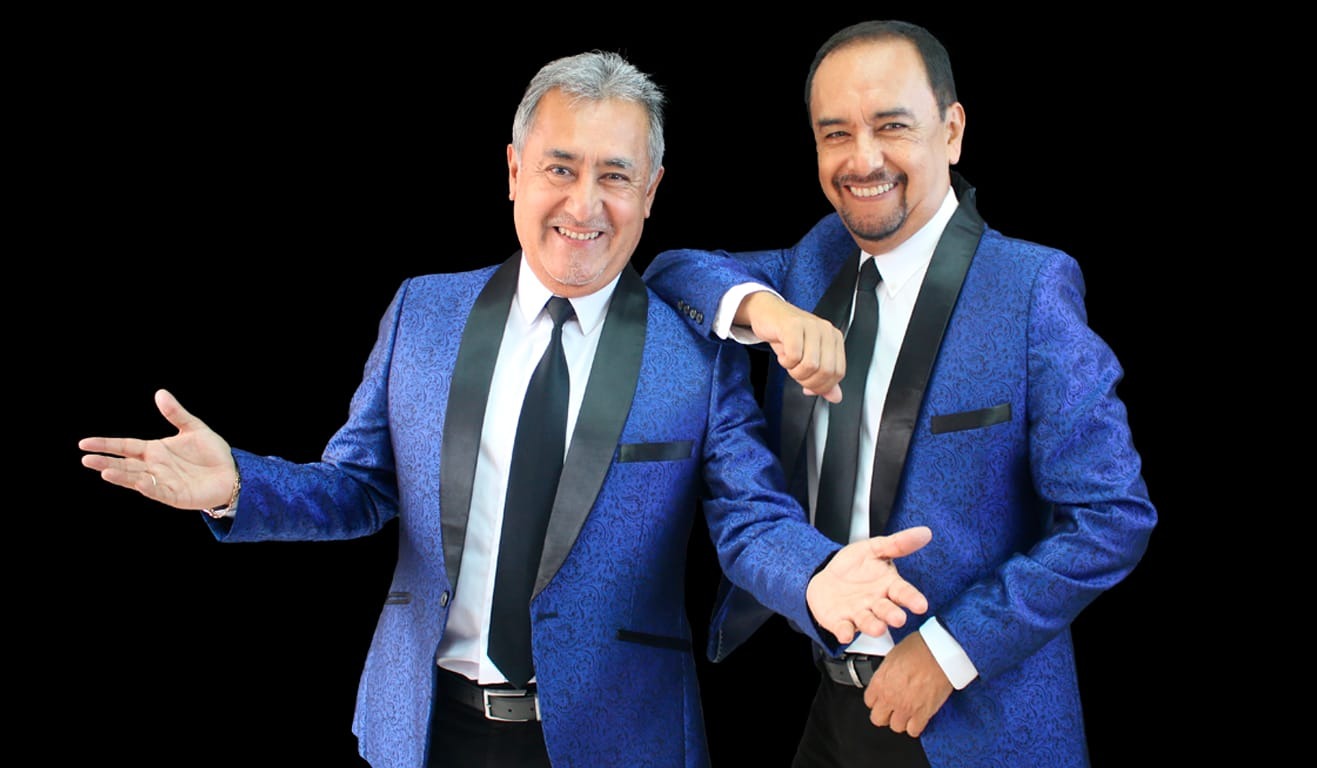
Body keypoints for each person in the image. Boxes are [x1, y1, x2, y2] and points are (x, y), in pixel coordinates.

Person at [77, 50, 936, 768]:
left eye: (615, 176)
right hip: (423, 727)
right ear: (516, 171)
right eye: (561, 168)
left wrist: (817, 575)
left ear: (651, 191)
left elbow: (750, 520)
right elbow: (359, 489)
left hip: (616, 736)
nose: (585, 205)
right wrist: (239, 486)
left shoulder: (697, 352)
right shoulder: (423, 312)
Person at [641, 20, 1158, 768]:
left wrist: (950, 651)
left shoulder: (1030, 288)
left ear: (952, 131)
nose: (863, 159)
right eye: (835, 134)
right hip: (832, 704)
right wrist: (767, 311)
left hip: (979, 726)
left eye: (891, 126)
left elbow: (1112, 515)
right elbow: (673, 271)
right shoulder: (814, 261)